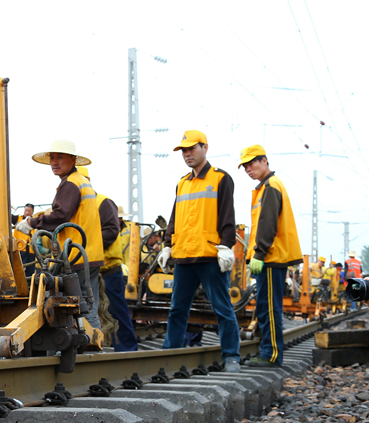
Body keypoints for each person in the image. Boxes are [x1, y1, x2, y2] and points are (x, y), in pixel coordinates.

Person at [157, 130, 240, 372]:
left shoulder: (220, 179)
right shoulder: (182, 183)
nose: (187, 154)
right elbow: (174, 218)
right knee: (177, 309)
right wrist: (168, 245)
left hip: (209, 256)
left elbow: (227, 216)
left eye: (192, 148)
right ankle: (169, 353)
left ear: (205, 148)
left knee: (222, 307)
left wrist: (226, 247)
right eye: (184, 150)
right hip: (184, 256)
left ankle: (232, 356)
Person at [18, 141, 104, 330]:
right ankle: (91, 351)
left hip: (77, 254)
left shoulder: (71, 184)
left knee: (83, 307)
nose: (54, 163)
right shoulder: (81, 182)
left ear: (72, 160)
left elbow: (60, 216)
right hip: (88, 253)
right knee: (89, 305)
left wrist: (32, 223)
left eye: (60, 158)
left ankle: (93, 351)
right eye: (52, 158)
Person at [240, 145, 301, 367]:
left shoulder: (271, 186)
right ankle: (267, 351)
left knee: (270, 307)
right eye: (245, 166)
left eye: (252, 163)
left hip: (271, 257)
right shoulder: (265, 186)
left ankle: (272, 354)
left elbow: (267, 223)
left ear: (264, 161)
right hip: (268, 257)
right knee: (265, 305)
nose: (248, 169)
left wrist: (259, 253)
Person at [94, 190, 138, 351]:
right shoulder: (78, 205)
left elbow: (110, 235)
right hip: (90, 267)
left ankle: (127, 349)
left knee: (115, 311)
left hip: (108, 268)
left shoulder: (101, 203)